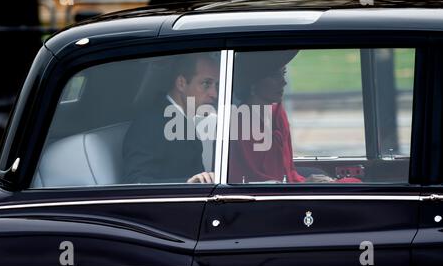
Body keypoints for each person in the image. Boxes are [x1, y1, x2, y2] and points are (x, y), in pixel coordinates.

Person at [229, 50, 360, 184]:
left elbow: (289, 171)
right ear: (254, 81)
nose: (283, 82)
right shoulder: (241, 122)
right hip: (268, 196)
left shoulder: (277, 112)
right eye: (275, 76)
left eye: (283, 73)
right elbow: (250, 181)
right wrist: (305, 185)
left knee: (352, 184)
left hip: (288, 186)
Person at [123, 53, 219, 184]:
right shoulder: (150, 123)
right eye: (206, 84)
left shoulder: (180, 119)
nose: (215, 94)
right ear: (181, 83)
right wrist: (188, 183)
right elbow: (136, 182)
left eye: (216, 85)